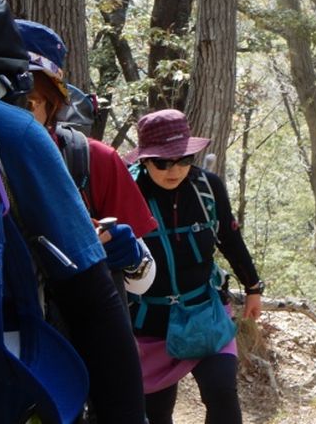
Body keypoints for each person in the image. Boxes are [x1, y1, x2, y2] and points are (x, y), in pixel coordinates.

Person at [0, 0, 147, 423]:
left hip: (54, 349)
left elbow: (134, 276)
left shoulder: (92, 158)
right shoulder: (18, 138)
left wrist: (130, 257)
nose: (25, 109)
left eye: (32, 101)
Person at [126, 109, 264, 424]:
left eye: (184, 159)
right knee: (157, 412)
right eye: (162, 162)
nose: (174, 170)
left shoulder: (208, 188)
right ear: (145, 160)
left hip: (205, 313)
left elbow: (229, 239)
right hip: (149, 323)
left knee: (222, 395)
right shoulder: (129, 192)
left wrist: (253, 287)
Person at [16, 19, 158, 299]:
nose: (6, 109)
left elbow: (142, 281)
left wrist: (128, 255)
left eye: (26, 102)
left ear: (52, 103)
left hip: (67, 331)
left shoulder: (94, 160)